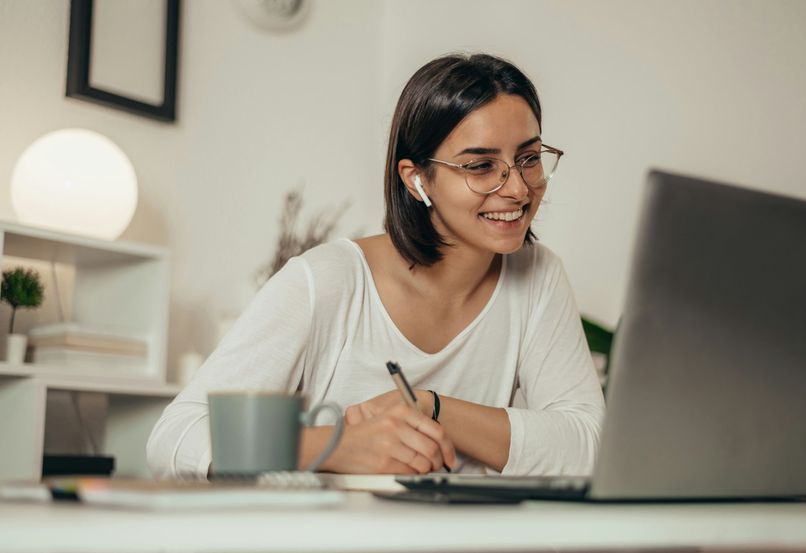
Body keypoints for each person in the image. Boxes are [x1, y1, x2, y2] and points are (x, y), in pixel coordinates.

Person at [147, 53, 605, 479]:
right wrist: (337, 446)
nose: (520, 189)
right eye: (482, 166)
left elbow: (589, 447)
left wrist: (430, 407)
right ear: (416, 178)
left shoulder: (538, 276)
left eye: (528, 159)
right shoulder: (327, 280)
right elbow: (175, 436)